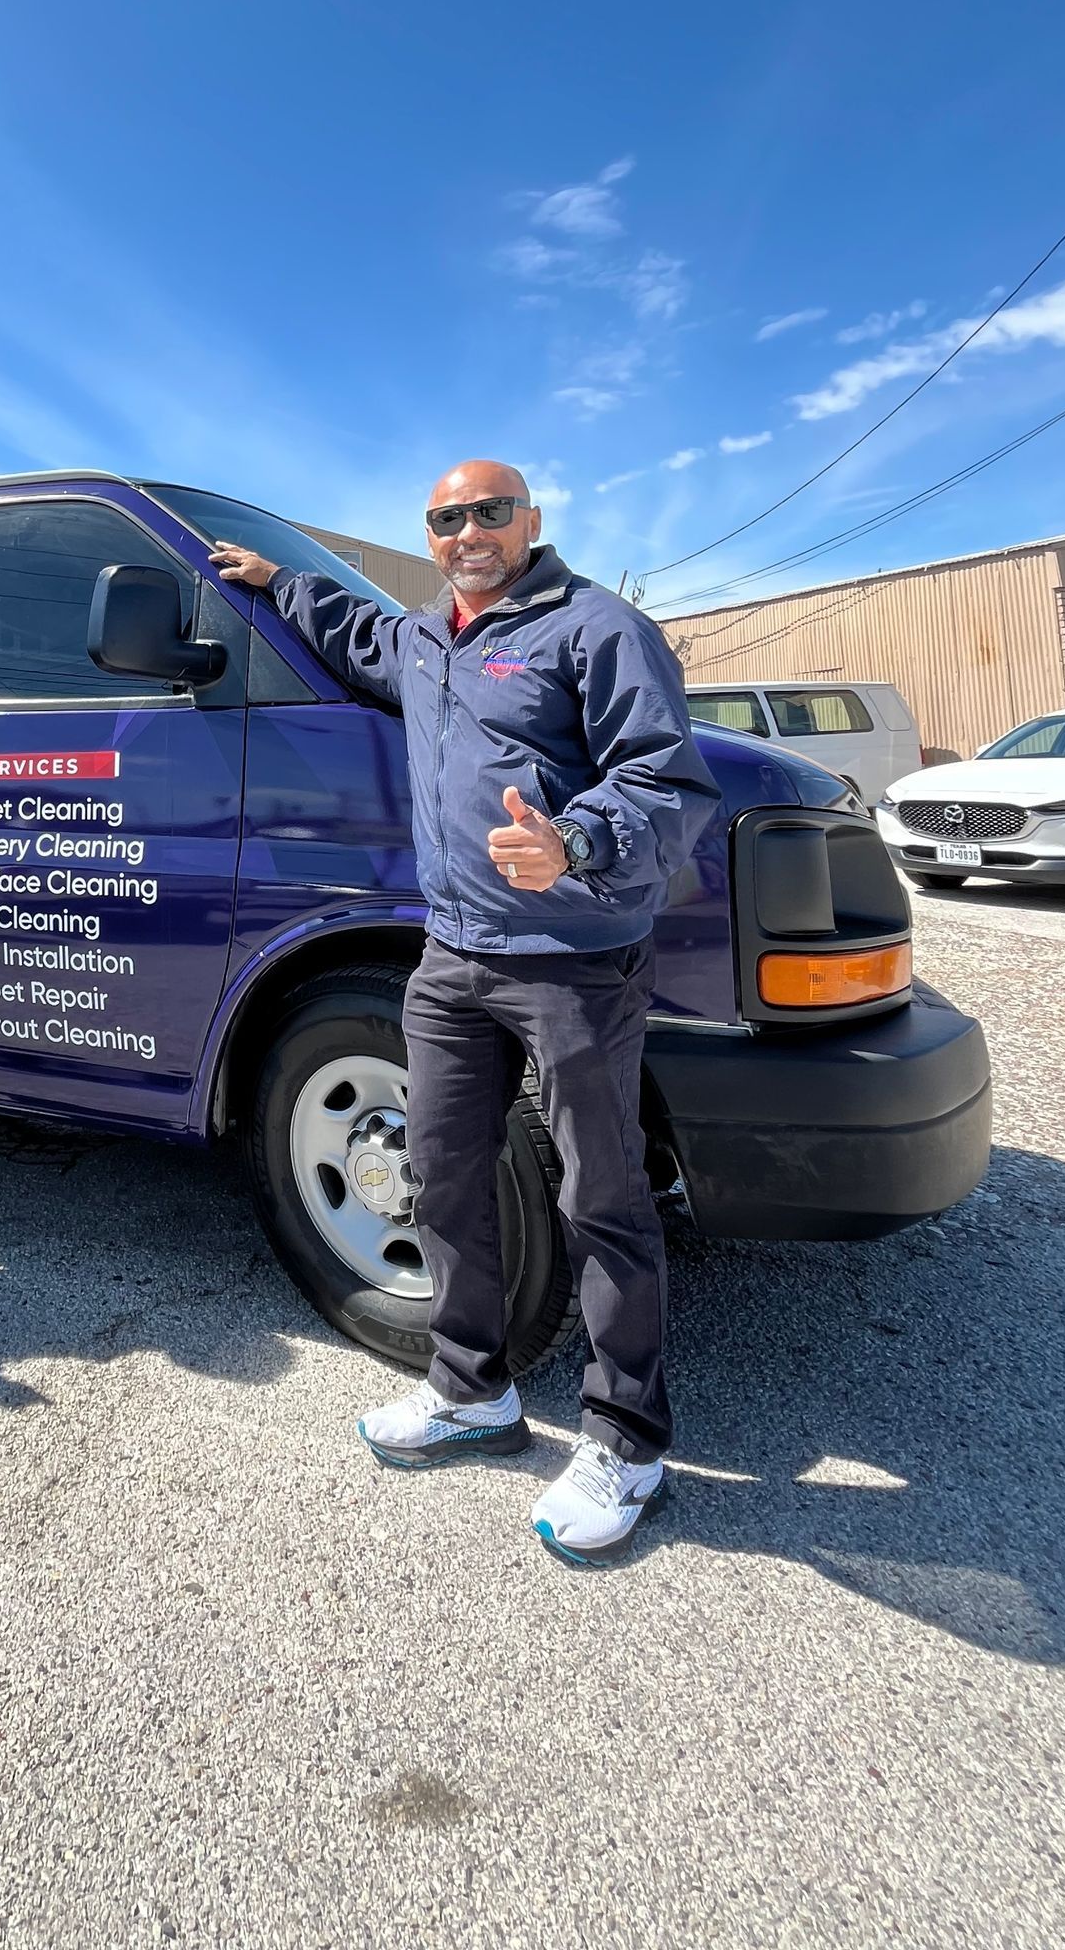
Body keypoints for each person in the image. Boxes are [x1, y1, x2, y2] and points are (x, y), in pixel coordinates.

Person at [213, 462, 718, 1561]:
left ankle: (627, 1445)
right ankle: (471, 1391)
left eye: (492, 512)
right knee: (444, 1170)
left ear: (532, 522)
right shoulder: (427, 638)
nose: (470, 531)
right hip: (451, 956)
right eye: (448, 518)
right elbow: (349, 624)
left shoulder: (596, 627)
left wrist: (575, 841)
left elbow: (666, 779)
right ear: (432, 536)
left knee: (602, 1198)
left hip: (572, 958)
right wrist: (267, 578)